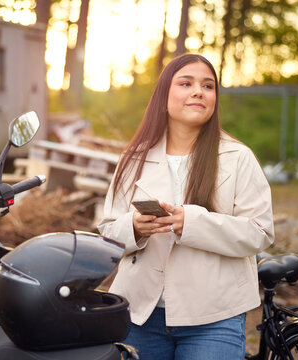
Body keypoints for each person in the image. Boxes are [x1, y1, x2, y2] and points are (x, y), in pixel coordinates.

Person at [98, 53, 274, 360]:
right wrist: (135, 229)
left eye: (208, 86)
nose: (198, 91)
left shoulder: (237, 157)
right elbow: (107, 232)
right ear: (164, 96)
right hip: (140, 315)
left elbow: (260, 232)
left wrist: (192, 223)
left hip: (213, 318)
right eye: (186, 83)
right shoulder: (134, 158)